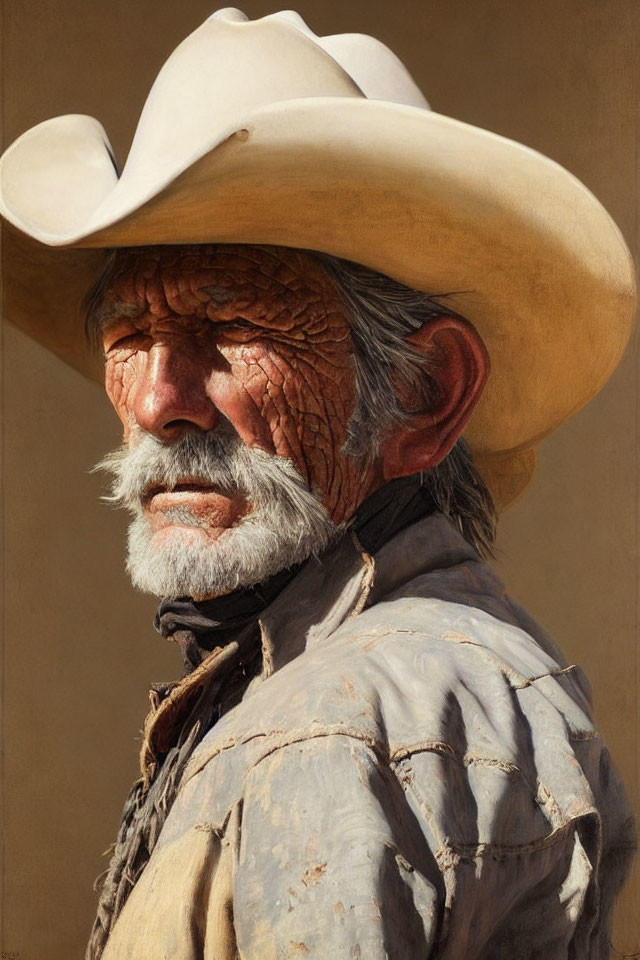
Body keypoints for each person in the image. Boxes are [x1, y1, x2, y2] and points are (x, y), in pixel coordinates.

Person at [0, 9, 636, 959]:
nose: (160, 401)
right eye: (130, 337)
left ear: (423, 397)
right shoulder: (422, 669)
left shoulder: (335, 730)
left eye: (231, 328)